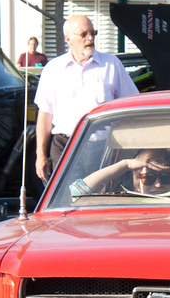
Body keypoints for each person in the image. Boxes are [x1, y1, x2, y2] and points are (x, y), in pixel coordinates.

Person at [34, 15, 139, 182]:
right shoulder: (53, 69)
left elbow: (131, 106)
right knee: (64, 201)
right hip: (63, 144)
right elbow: (45, 115)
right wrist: (41, 155)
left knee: (95, 198)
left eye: (93, 33)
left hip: (100, 145)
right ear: (68, 39)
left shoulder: (111, 65)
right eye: (84, 34)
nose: (90, 38)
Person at [68, 149, 170, 200]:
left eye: (166, 177)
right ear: (138, 181)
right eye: (148, 178)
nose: (158, 184)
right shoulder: (124, 203)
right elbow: (76, 192)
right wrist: (125, 164)